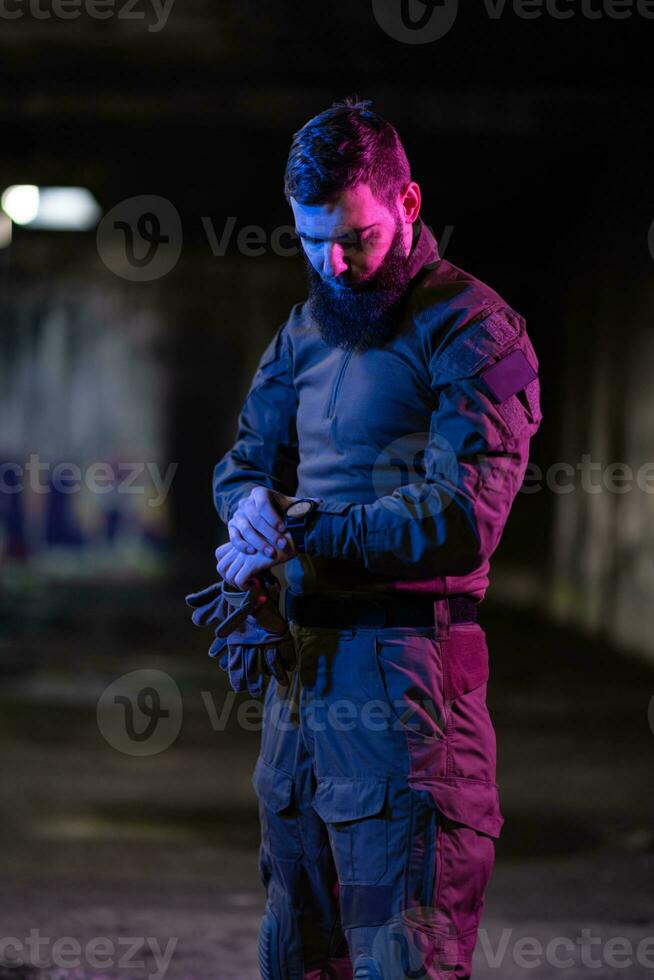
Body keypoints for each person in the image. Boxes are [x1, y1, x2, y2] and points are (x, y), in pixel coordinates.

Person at [210, 96, 542, 979]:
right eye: (312, 239)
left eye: (353, 236)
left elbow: (463, 518)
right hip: (302, 686)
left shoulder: (475, 329)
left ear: (407, 205)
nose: (334, 262)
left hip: (410, 696)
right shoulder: (305, 329)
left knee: (403, 959)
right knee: (296, 953)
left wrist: (303, 527)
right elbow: (245, 458)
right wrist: (246, 505)